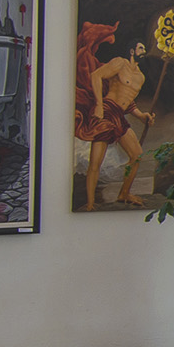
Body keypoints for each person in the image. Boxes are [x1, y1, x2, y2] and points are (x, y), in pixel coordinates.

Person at [73, 20, 152, 207]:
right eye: (141, 48)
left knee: (136, 155)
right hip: (107, 111)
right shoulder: (120, 63)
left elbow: (129, 101)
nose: (143, 52)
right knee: (95, 163)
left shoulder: (140, 77)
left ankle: (124, 194)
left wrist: (142, 115)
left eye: (144, 49)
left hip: (120, 116)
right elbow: (96, 76)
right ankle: (90, 204)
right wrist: (99, 105)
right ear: (132, 51)